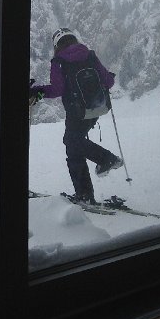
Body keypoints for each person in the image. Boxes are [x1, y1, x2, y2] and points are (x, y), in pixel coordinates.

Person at [29, 27, 122, 204]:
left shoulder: (59, 61)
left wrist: (37, 91)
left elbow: (58, 89)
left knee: (72, 142)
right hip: (95, 109)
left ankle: (107, 159)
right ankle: (84, 195)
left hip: (76, 111)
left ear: (57, 45)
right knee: (73, 148)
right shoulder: (90, 55)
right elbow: (108, 82)